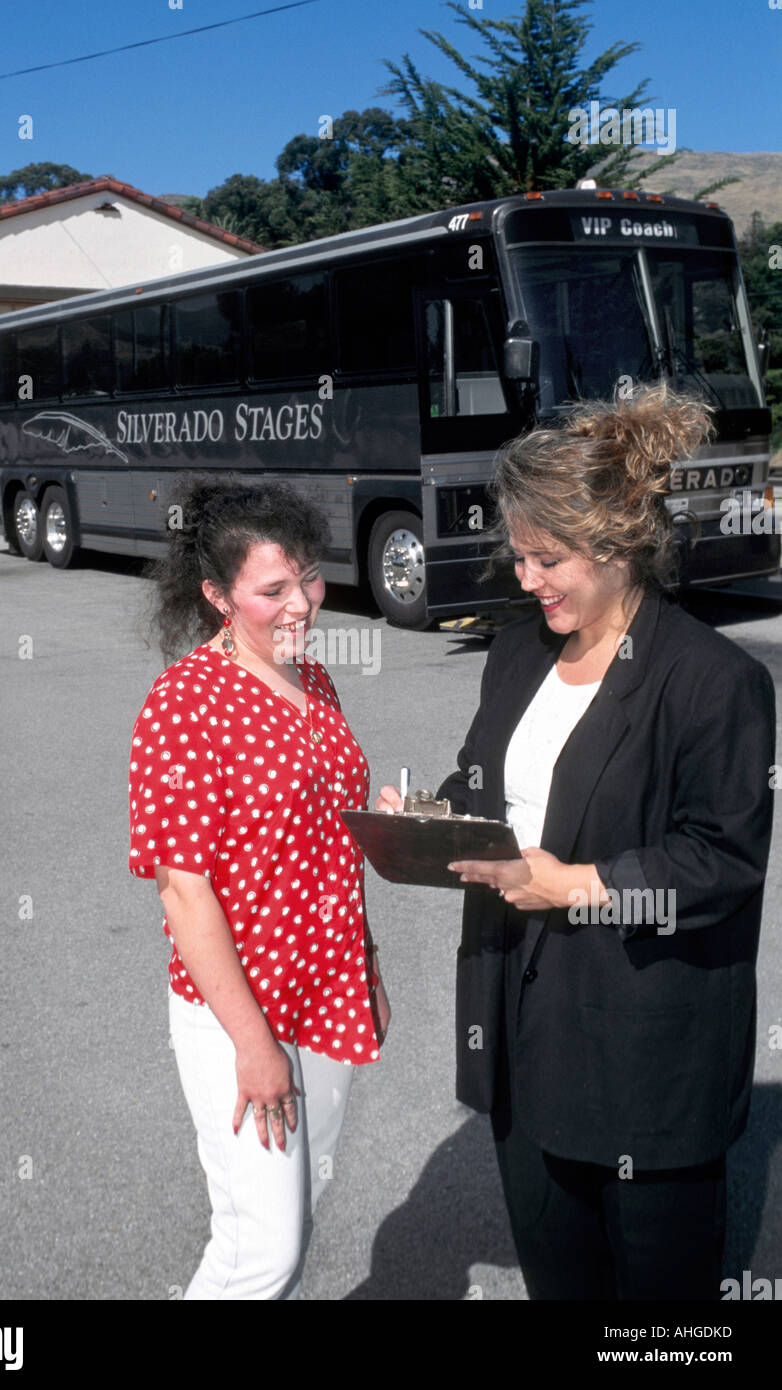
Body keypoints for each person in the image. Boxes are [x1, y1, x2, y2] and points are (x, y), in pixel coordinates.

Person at [377, 383, 775, 1300]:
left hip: (646, 1060)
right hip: (524, 1036)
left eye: (547, 559)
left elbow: (721, 863)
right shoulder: (520, 652)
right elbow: (489, 783)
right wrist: (430, 819)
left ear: (617, 544)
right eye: (519, 557)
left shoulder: (714, 682)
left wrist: (580, 884)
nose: (526, 580)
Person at [129, 476, 389, 1300]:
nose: (302, 603)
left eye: (309, 576)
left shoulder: (313, 680)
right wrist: (251, 1043)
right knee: (260, 1250)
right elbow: (184, 892)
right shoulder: (185, 704)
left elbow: (323, 839)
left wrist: (369, 962)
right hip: (240, 1005)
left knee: (297, 1207)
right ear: (216, 595)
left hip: (326, 986)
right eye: (272, 589)